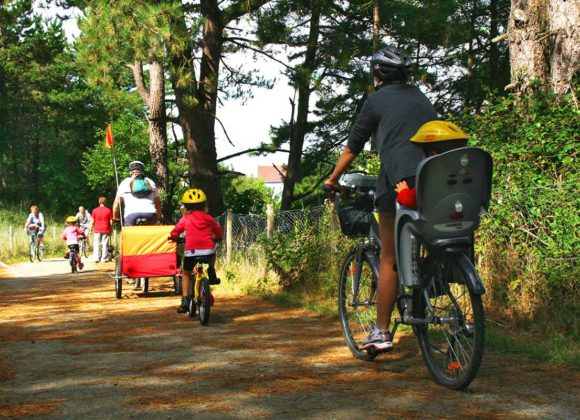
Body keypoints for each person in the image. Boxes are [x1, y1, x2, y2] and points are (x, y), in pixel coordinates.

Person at [324, 46, 438, 351]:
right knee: (429, 235)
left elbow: (353, 148)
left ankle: (381, 331)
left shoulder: (375, 101)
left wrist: (333, 179)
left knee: (389, 256)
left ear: (377, 75)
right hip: (435, 176)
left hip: (398, 179)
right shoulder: (420, 97)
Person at [169, 189, 223, 313]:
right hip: (208, 252)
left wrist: (173, 237)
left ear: (185, 207)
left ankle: (185, 300)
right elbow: (218, 229)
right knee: (212, 251)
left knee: (186, 273)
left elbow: (176, 231)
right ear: (204, 205)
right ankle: (211, 270)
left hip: (191, 253)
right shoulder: (208, 218)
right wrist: (218, 237)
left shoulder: (186, 219)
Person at [395, 120, 470, 209]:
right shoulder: (468, 174)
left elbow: (411, 201)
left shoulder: (432, 177)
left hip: (435, 220)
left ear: (432, 154)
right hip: (467, 217)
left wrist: (403, 191)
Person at [112, 160, 162, 226]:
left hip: (131, 215)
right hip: (150, 214)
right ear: (142, 170)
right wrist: (158, 218)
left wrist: (115, 217)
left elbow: (117, 203)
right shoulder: (150, 182)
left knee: (130, 234)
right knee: (153, 234)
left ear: (131, 171)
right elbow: (158, 204)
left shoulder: (125, 182)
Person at [91, 197, 113, 263]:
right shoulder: (108, 210)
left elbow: (92, 221)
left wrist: (91, 230)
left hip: (97, 229)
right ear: (105, 202)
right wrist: (110, 229)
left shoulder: (94, 210)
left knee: (96, 243)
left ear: (99, 202)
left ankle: (96, 258)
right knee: (105, 244)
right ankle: (104, 258)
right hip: (106, 228)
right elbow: (111, 221)